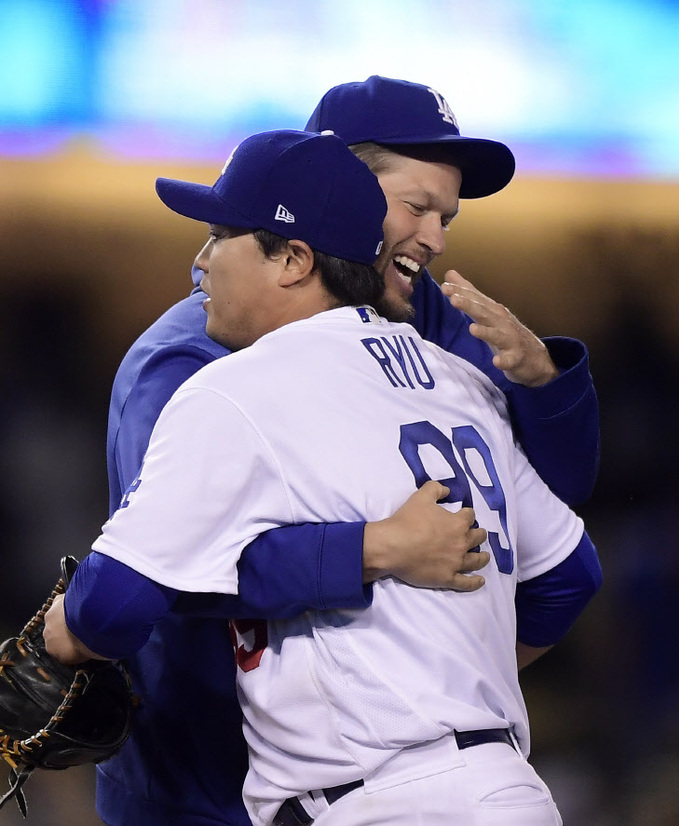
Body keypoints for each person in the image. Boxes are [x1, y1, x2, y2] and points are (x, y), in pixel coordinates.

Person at [44, 128, 602, 826]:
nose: (201, 259)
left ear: (294, 260)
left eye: (222, 235)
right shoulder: (460, 383)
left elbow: (114, 607)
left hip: (380, 803)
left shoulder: (233, 388)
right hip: (507, 789)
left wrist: (59, 634)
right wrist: (457, 678)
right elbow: (570, 574)